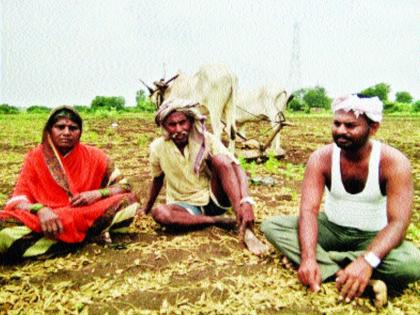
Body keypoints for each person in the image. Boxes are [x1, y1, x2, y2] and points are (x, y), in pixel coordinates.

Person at [262, 94, 420, 306]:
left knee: (412, 263)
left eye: (350, 125)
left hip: (372, 236)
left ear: (373, 128)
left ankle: (334, 262)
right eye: (336, 124)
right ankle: (364, 279)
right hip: (331, 228)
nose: (341, 131)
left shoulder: (393, 162)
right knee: (273, 226)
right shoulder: (322, 158)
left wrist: (367, 260)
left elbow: (398, 223)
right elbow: (308, 210)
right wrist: (308, 258)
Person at [0, 106, 139, 262]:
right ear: (49, 130)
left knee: (129, 201)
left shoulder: (95, 155)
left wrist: (98, 194)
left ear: (80, 132)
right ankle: (83, 240)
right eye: (60, 127)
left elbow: (124, 186)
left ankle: (53, 244)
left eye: (73, 128)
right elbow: (18, 200)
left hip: (84, 214)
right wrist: (40, 210)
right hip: (48, 219)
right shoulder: (35, 157)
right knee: (3, 228)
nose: (66, 132)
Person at [139, 98, 267, 255]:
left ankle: (244, 225)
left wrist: (246, 201)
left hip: (213, 197)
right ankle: (218, 221)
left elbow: (236, 167)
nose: (179, 129)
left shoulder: (206, 139)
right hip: (184, 207)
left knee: (222, 161)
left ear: (191, 122)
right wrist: (145, 209)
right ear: (164, 127)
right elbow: (157, 179)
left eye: (183, 122)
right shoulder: (157, 148)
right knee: (160, 213)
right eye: (172, 125)